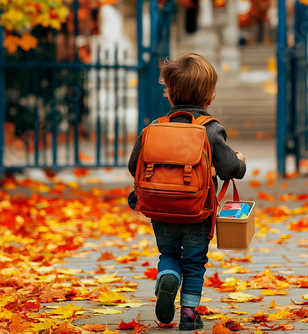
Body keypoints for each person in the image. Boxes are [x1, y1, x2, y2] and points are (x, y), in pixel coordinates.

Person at [127, 53, 246, 330]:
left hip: (160, 211)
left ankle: (168, 274)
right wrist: (240, 163)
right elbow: (228, 168)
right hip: (197, 212)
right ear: (210, 97)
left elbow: (135, 166)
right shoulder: (211, 129)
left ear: (170, 95)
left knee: (168, 254)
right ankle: (189, 316)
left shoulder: (153, 128)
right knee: (194, 263)